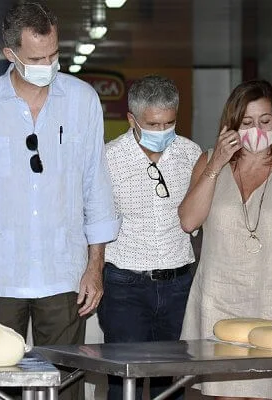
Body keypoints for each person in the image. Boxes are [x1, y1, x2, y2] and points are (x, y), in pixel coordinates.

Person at [0, 2, 120, 399]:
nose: (49, 64)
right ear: (11, 55)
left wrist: (95, 267)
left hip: (64, 274)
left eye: (55, 54)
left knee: (66, 385)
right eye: (37, 58)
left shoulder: (82, 100)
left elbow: (96, 186)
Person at [179, 80, 272, 400]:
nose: (257, 129)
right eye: (247, 122)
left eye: (265, 121)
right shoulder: (210, 161)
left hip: (269, 304)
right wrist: (215, 165)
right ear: (232, 125)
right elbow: (188, 221)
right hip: (216, 302)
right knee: (223, 393)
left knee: (265, 393)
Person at [97, 75, 201, 400]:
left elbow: (195, 220)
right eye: (153, 124)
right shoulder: (108, 159)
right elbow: (96, 225)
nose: (162, 132)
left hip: (178, 284)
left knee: (170, 382)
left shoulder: (190, 154)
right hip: (124, 285)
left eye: (169, 123)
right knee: (123, 378)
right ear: (132, 119)